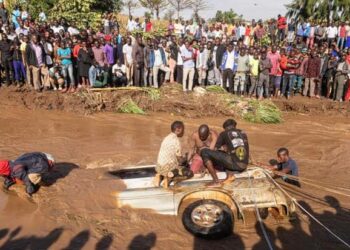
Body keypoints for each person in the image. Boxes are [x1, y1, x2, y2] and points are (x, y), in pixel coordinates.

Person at [201, 119, 249, 187]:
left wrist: (214, 138)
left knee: (204, 152)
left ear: (225, 128)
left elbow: (215, 149)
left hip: (236, 164)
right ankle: (230, 176)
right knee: (228, 154)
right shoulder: (243, 133)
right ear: (234, 126)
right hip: (244, 164)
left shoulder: (224, 133)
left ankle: (216, 181)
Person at [154, 121, 192, 188]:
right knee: (189, 173)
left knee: (174, 164)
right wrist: (186, 158)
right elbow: (180, 161)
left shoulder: (167, 137)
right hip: (167, 168)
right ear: (179, 130)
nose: (184, 131)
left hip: (159, 167)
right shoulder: (176, 141)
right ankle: (168, 178)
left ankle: (159, 175)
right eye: (183, 129)